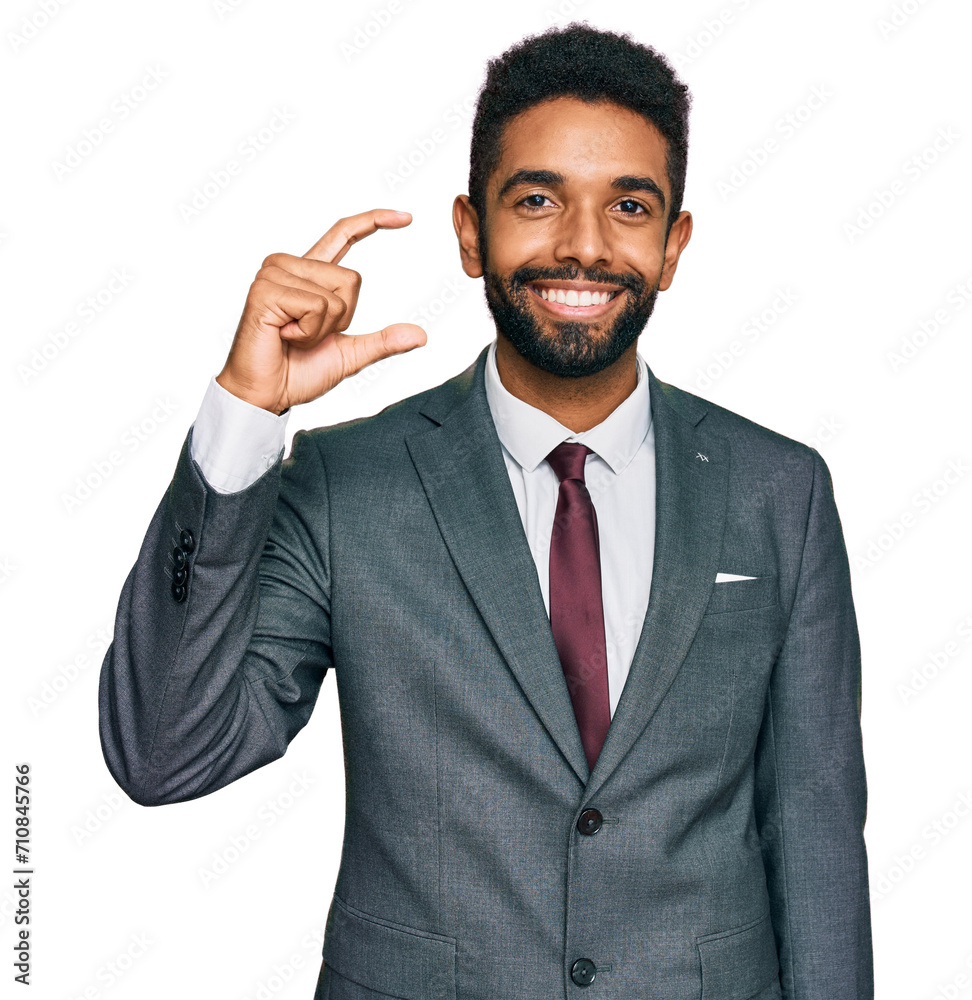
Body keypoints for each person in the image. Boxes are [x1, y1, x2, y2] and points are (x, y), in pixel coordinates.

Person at [98, 23, 872, 1000]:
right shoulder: (347, 481)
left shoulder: (780, 489)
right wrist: (245, 414)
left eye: (628, 205)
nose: (584, 246)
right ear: (472, 231)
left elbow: (817, 837)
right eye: (538, 199)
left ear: (673, 244)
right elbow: (167, 750)